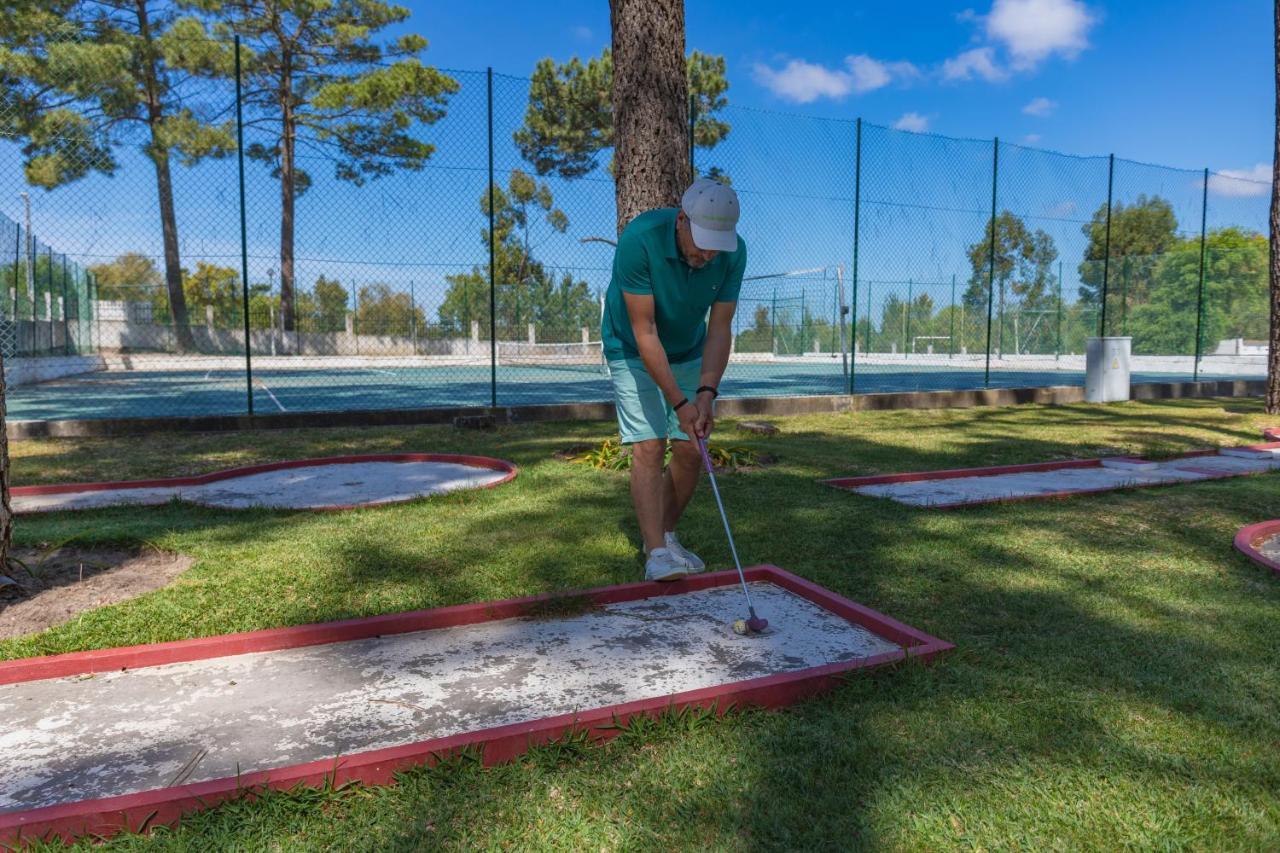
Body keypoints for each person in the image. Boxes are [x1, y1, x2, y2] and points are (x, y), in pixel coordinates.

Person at [600, 179, 746, 581]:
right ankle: (657, 556)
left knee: (690, 448)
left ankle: (663, 535)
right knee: (649, 443)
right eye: (702, 241)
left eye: (717, 243)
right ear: (682, 220)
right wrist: (678, 403)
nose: (708, 253)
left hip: (689, 350)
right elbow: (645, 331)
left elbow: (719, 329)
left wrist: (705, 393)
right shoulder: (640, 239)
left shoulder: (732, 254)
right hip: (631, 346)